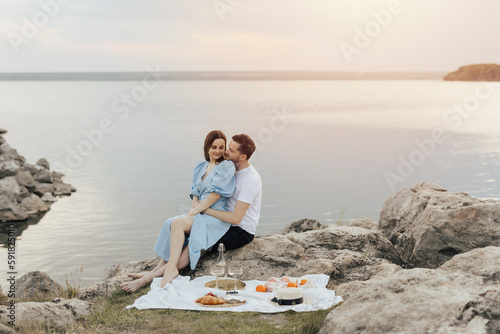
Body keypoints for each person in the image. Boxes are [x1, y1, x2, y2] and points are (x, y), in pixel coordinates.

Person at [122, 133, 262, 292]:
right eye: (227, 147)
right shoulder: (230, 167)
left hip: (239, 230)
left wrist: (206, 211)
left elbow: (236, 218)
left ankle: (149, 279)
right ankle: (154, 272)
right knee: (178, 228)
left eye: (230, 149)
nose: (226, 152)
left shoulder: (250, 179)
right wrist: (199, 210)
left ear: (243, 156)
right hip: (219, 218)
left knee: (192, 239)